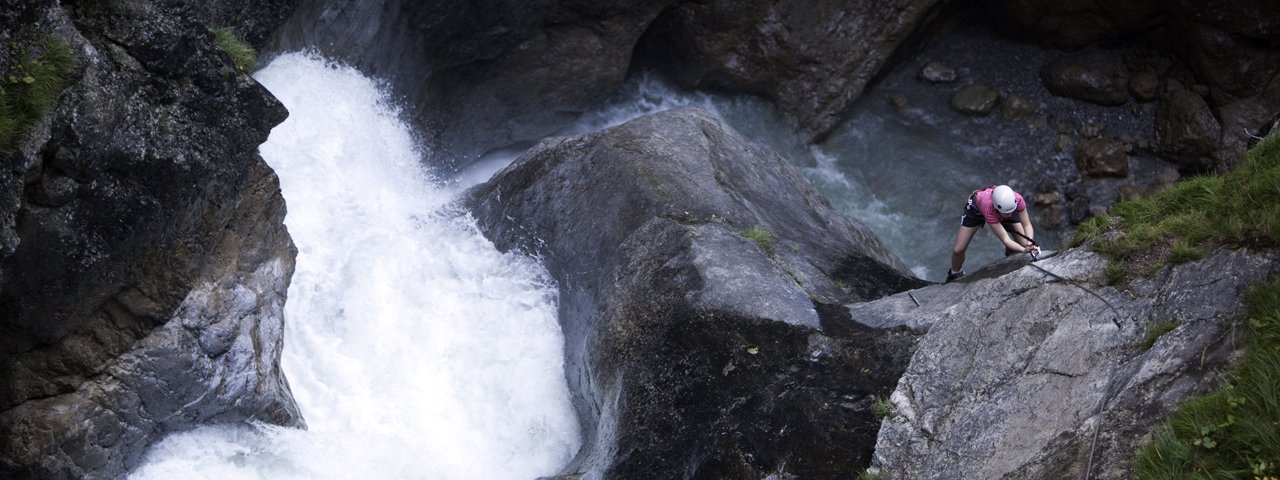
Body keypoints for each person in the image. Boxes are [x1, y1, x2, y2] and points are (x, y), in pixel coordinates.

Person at [946, 184, 1039, 283]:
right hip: (976, 210)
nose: (1010, 215)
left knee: (1024, 243)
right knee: (958, 250)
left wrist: (1029, 243)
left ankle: (1012, 252)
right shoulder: (989, 209)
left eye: (1012, 211)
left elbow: (1027, 225)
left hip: (1002, 208)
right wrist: (1023, 250)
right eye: (1007, 214)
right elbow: (1005, 240)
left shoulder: (1017, 200)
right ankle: (955, 273)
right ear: (996, 208)